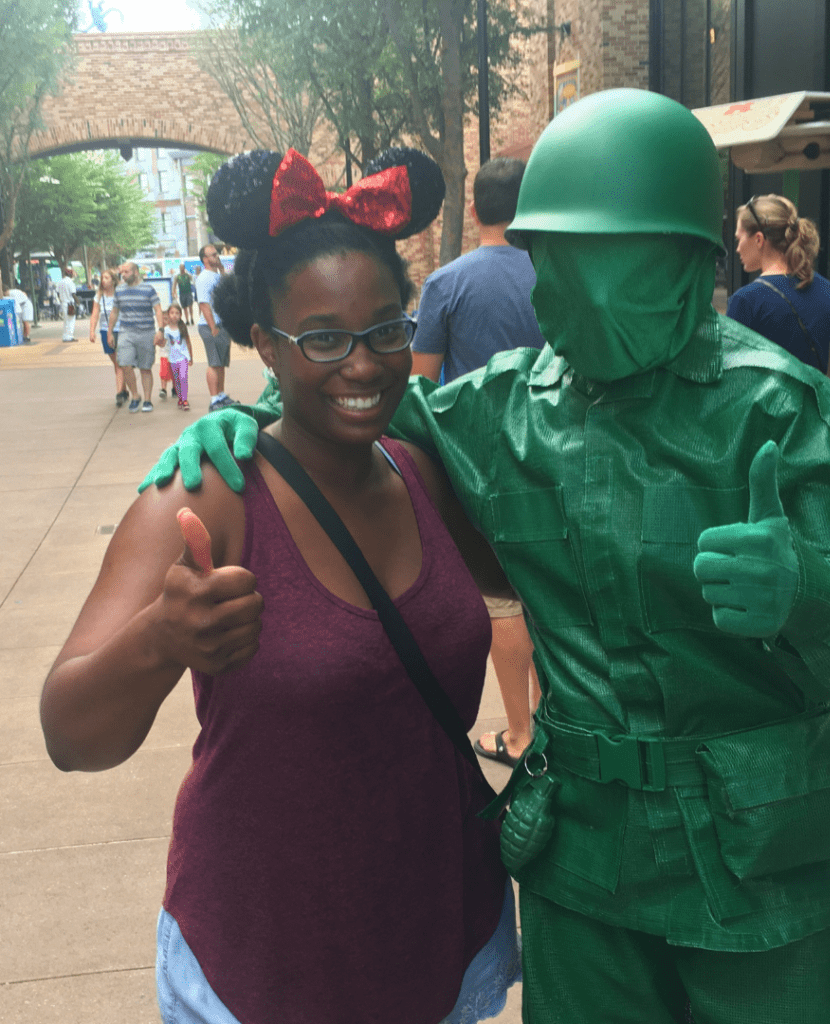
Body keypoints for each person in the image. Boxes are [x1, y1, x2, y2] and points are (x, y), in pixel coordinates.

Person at [142, 90, 830, 1024]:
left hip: (773, 877)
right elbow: (354, 400)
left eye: (594, 260)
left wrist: (805, 590)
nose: (556, 290)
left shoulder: (781, 410)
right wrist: (243, 423)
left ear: (685, 262)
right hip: (589, 875)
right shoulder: (508, 407)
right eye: (546, 259)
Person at [40, 146, 520, 1024]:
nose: (366, 365)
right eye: (324, 338)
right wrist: (161, 640)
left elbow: (526, 581)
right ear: (264, 343)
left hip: (434, 931)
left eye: (385, 329)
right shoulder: (207, 495)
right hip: (264, 958)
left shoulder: (423, 469)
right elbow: (69, 733)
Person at [411, 156, 545, 767]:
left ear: (475, 211)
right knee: (552, 592)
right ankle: (557, 727)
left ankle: (520, 734)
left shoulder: (446, 284)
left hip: (480, 463)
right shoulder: (554, 275)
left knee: (500, 600)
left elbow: (422, 387)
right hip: (554, 454)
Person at [728, 194, 830, 390]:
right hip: (815, 418)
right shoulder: (827, 290)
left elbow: (734, 387)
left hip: (768, 420)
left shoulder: (745, 301)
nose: (737, 249)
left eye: (739, 239)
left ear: (759, 239)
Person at [108, 262, 163, 413]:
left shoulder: (148, 289)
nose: (123, 275)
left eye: (126, 272)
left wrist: (161, 330)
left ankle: (147, 400)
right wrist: (109, 332)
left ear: (135, 272)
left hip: (146, 332)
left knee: (145, 368)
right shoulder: (119, 290)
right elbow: (114, 312)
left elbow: (158, 309)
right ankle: (135, 396)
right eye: (122, 272)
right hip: (126, 332)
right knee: (124, 364)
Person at [195, 244, 237, 411]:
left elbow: (227, 288)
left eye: (217, 254)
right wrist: (213, 327)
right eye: (213, 255)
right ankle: (214, 399)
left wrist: (221, 269)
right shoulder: (203, 278)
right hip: (211, 325)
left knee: (221, 363)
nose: (217, 256)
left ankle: (221, 394)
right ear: (205, 259)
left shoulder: (216, 276)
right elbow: (204, 305)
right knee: (214, 363)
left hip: (221, 324)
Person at [88, 268, 128, 406]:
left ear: (113, 280)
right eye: (102, 278)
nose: (103, 281)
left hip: (121, 329)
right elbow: (95, 313)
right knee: (116, 362)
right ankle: (123, 388)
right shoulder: (99, 295)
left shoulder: (120, 293)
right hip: (105, 330)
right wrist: (92, 331)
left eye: (106, 278)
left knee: (118, 362)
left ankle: (119, 394)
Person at [159, 302, 193, 410]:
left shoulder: (182, 328)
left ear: (180, 315)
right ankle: (180, 398)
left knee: (183, 378)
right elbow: (164, 343)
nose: (174, 315)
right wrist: (157, 341)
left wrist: (190, 357)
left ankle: (185, 400)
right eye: (172, 313)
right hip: (172, 359)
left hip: (183, 357)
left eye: (177, 313)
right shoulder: (166, 330)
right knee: (177, 380)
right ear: (168, 315)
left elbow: (188, 342)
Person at [56, 267, 78, 343]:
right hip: (70, 303)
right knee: (71, 320)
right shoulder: (70, 283)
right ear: (70, 274)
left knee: (66, 320)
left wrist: (61, 300)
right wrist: (78, 302)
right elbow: (73, 294)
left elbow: (58, 293)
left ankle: (65, 336)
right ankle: (69, 336)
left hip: (63, 303)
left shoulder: (60, 282)